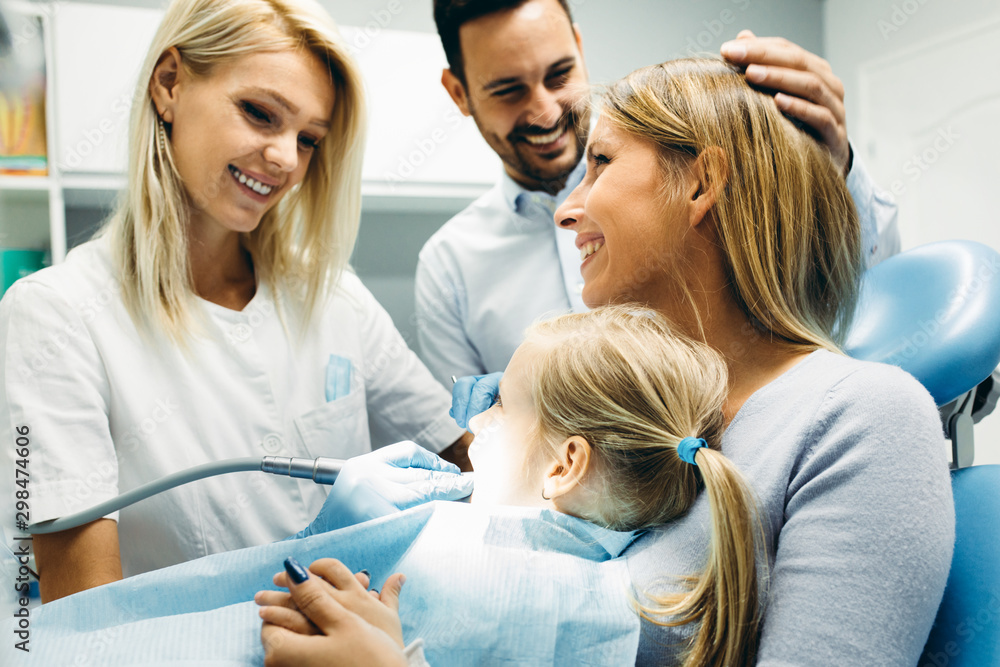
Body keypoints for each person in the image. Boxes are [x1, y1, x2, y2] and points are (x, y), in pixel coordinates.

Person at [449, 57, 954, 665]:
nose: (566, 209)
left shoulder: (864, 418)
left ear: (700, 182)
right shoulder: (627, 418)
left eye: (601, 163)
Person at [0, 0, 471, 603]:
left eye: (308, 140)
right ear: (169, 84)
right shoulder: (56, 315)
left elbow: (461, 456)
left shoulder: (333, 298)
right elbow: (86, 615)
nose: (284, 159)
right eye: (259, 113)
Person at [415, 0, 901, 389]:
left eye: (558, 74)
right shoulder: (449, 265)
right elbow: (479, 449)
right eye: (507, 90)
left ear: (702, 183)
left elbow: (864, 293)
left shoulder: (672, 136)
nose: (545, 111)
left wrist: (832, 168)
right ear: (458, 92)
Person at [256, 305, 766, 667]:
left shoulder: (472, 582)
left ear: (564, 466)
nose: (476, 422)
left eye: (500, 404)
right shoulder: (606, 563)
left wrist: (333, 537)